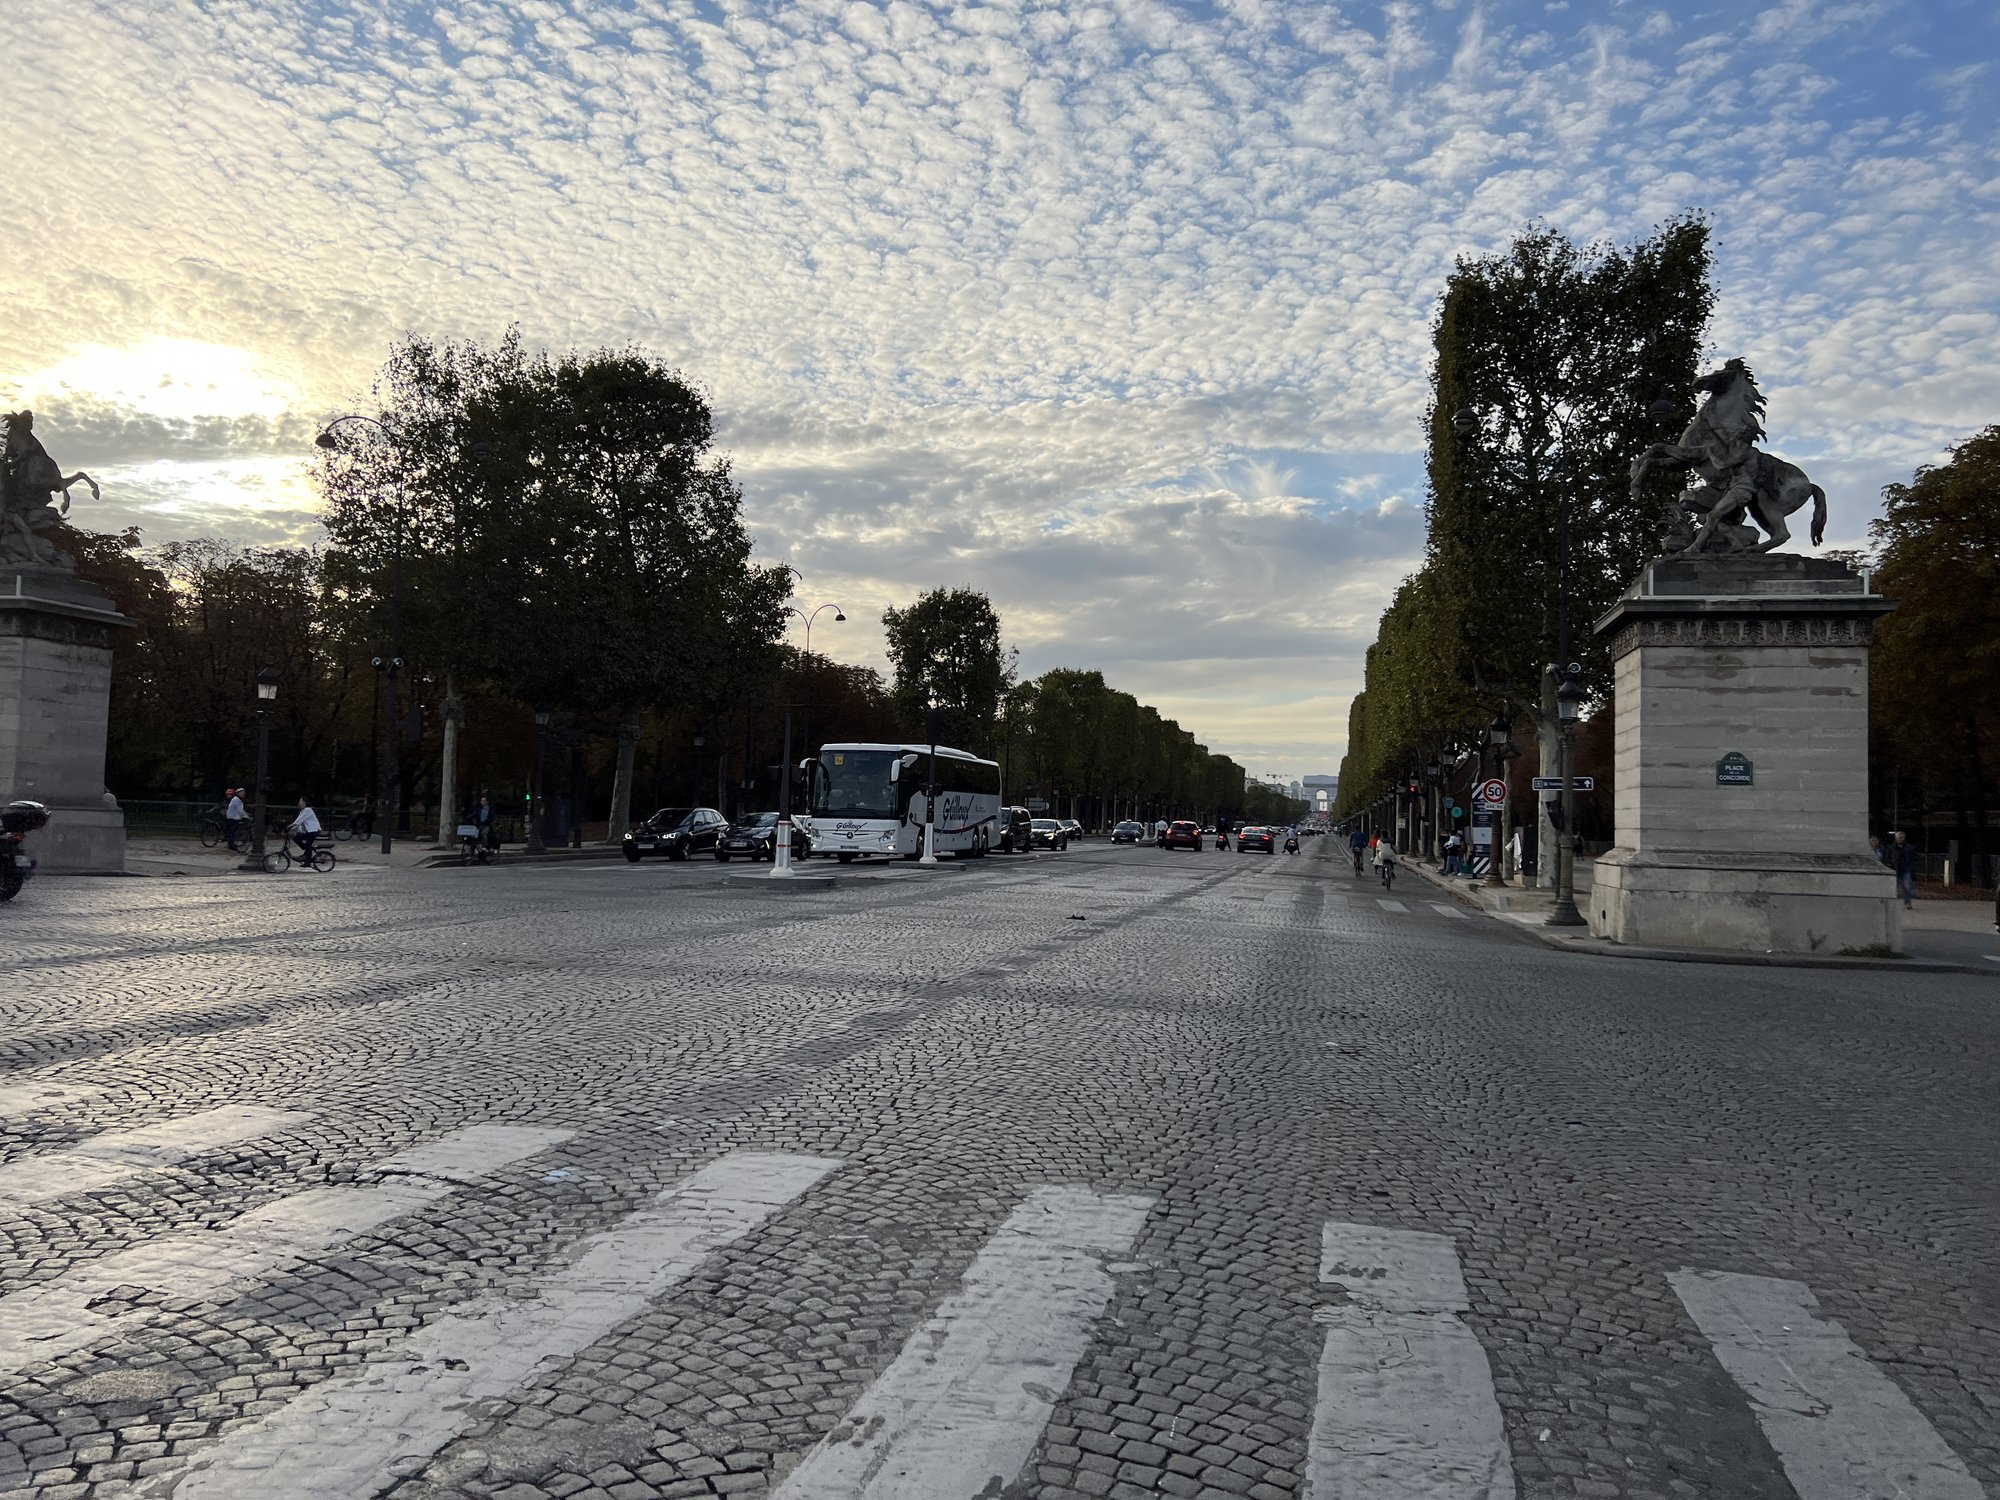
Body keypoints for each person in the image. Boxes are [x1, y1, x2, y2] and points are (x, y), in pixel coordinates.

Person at [289, 797, 322, 866]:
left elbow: (300, 820)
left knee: (307, 845)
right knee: (296, 838)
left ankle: (308, 861)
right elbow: (299, 822)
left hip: (314, 831)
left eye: (301, 801)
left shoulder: (308, 810)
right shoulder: (302, 811)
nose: (299, 803)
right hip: (309, 831)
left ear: (305, 803)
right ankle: (307, 851)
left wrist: (291, 826)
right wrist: (294, 828)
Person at [1890, 830, 1916, 909]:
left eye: (1902, 837)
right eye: (1899, 837)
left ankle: (1907, 902)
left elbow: (1913, 858)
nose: (1900, 839)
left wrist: (1911, 867)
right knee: (1893, 887)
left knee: (1907, 886)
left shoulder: (1910, 848)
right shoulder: (1891, 848)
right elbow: (1887, 857)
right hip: (1894, 869)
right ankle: (1893, 903)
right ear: (1896, 838)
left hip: (1905, 869)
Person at [224, 786, 246, 852]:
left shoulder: (236, 799)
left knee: (232, 831)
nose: (243, 794)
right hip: (233, 817)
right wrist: (246, 816)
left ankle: (231, 844)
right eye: (242, 793)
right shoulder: (237, 800)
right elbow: (239, 810)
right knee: (232, 831)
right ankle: (231, 845)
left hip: (232, 817)